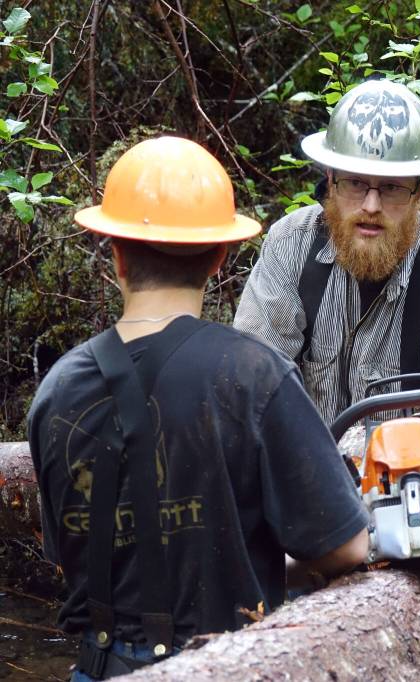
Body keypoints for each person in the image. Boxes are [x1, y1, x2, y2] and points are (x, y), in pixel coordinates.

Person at [28, 137, 369, 680]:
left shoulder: (54, 392)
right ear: (218, 258)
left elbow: (72, 554)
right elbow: (347, 549)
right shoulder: (256, 375)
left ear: (115, 253)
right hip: (225, 668)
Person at [233, 79, 420, 427]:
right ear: (330, 179)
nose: (371, 205)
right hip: (304, 474)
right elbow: (246, 397)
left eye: (391, 187)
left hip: (415, 479)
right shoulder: (292, 247)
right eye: (355, 182)